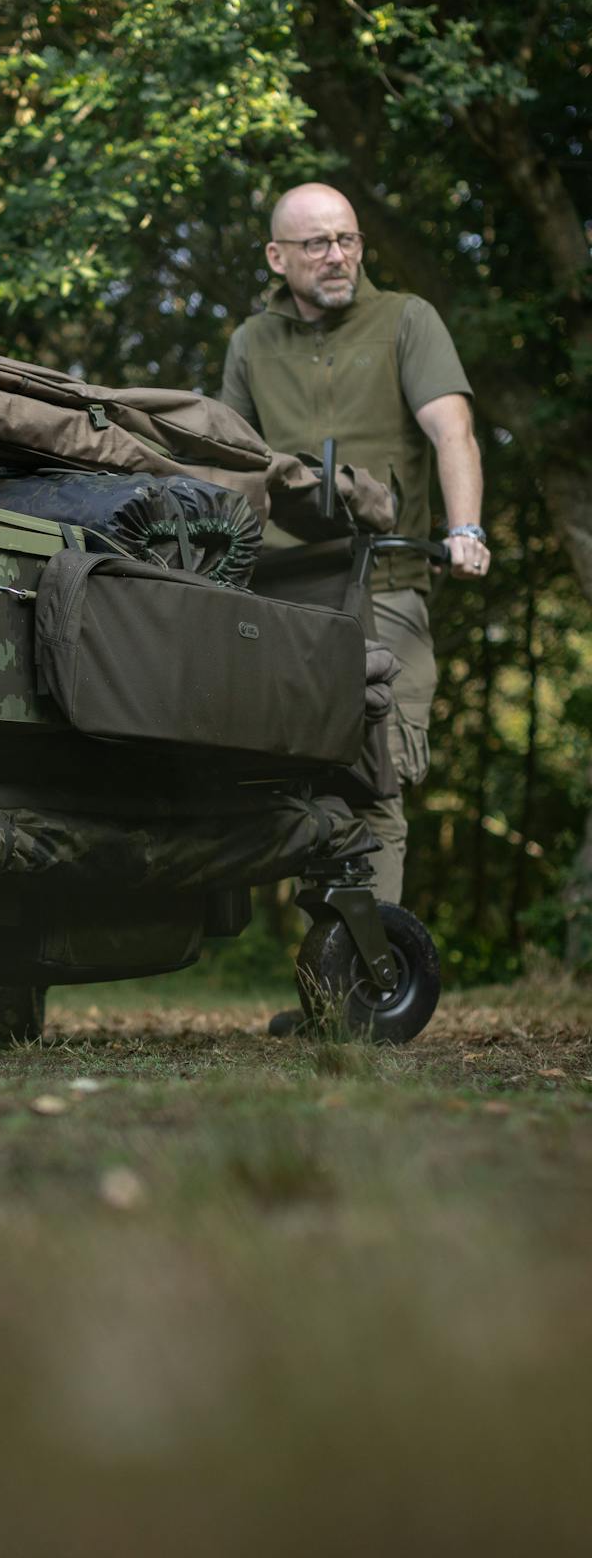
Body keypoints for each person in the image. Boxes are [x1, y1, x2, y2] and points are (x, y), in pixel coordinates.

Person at [220, 183, 489, 1025]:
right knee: (299, 780)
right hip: (285, 599)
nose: (336, 256)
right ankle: (325, 989)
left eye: (347, 240)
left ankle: (364, 991)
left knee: (377, 782)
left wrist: (467, 527)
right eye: (316, 244)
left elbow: (453, 431)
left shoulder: (407, 320)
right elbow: (226, 461)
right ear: (277, 257)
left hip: (387, 585)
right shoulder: (250, 343)